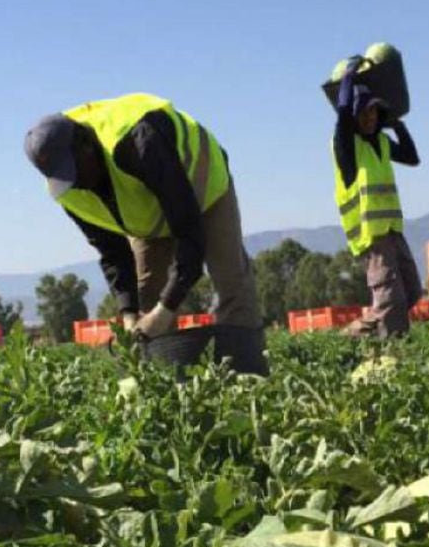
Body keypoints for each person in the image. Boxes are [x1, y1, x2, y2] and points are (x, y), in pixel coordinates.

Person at [24, 93, 264, 362]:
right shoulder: (66, 188)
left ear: (86, 145)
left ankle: (246, 375)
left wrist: (166, 310)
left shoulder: (136, 140)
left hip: (202, 187)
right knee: (148, 295)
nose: (75, 182)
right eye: (64, 177)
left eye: (74, 170)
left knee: (231, 280)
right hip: (147, 216)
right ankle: (169, 386)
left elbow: (189, 234)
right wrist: (129, 314)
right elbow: (112, 252)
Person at [326, 56, 422, 338]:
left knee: (412, 292)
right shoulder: (346, 147)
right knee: (391, 299)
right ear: (354, 115)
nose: (369, 118)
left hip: (393, 232)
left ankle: (354, 334)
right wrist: (348, 80)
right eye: (363, 112)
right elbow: (342, 117)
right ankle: (395, 354)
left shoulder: (380, 142)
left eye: (374, 112)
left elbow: (412, 157)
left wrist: (397, 124)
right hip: (371, 237)